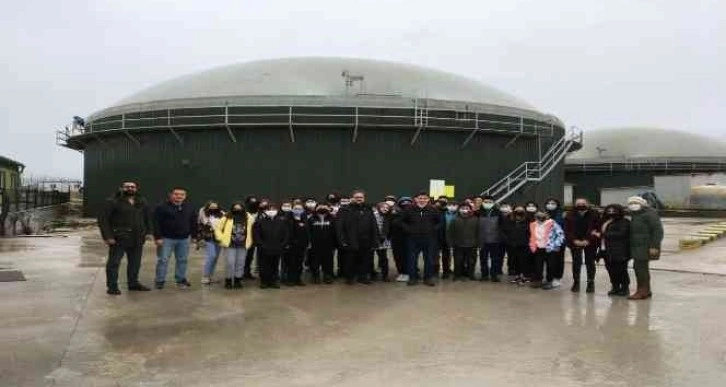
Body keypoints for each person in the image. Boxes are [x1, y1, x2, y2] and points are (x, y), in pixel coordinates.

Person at [98, 181, 153, 295]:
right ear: (122, 188)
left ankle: (133, 284)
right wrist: (108, 236)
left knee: (135, 262)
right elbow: (103, 220)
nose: (130, 188)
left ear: (136, 189)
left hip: (137, 238)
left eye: (132, 187)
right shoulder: (113, 201)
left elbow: (147, 217)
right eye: (127, 187)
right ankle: (112, 286)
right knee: (114, 263)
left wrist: (148, 232)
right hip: (119, 237)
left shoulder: (142, 201)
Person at [153, 187, 198, 290]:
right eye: (176, 194)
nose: (179, 196)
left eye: (182, 195)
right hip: (166, 239)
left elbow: (193, 222)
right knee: (163, 260)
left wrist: (194, 236)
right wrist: (158, 237)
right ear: (171, 195)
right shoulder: (161, 207)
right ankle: (160, 280)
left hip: (184, 239)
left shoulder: (189, 207)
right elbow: (156, 223)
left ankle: (181, 279)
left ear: (185, 196)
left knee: (182, 260)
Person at [335, 190, 379, 285]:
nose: (359, 199)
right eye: (357, 197)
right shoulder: (344, 210)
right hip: (350, 240)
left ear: (364, 198)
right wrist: (342, 240)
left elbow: (374, 225)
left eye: (361, 197)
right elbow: (339, 227)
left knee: (365, 259)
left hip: (366, 240)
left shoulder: (368, 209)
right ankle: (349, 278)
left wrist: (375, 239)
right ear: (352, 198)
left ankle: (363, 277)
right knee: (350, 260)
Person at [626, 196, 664, 300]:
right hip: (637, 245)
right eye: (631, 203)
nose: (633, 205)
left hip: (646, 246)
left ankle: (642, 291)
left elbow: (658, 231)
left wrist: (654, 246)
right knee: (640, 268)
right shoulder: (635, 214)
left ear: (642, 204)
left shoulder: (650, 214)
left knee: (640, 268)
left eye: (635, 203)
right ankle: (646, 290)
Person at [401, 191, 441, 286]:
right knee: (412, 259)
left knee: (429, 259)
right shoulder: (408, 209)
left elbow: (440, 222)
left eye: (424, 198)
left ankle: (428, 278)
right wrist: (409, 230)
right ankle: (412, 278)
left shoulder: (433, 210)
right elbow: (401, 221)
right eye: (420, 198)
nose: (422, 200)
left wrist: (433, 230)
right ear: (415, 199)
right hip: (413, 239)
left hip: (429, 239)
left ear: (428, 200)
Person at [214, 203, 254, 289]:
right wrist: (221, 238)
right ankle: (228, 280)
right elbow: (217, 228)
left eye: (239, 208)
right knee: (230, 263)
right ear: (232, 208)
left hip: (243, 245)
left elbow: (254, 226)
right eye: (235, 208)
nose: (237, 210)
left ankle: (237, 280)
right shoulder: (226, 217)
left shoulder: (248, 217)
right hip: (229, 244)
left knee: (240, 263)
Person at [565, 198, 601, 293]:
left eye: (583, 203)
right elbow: (568, 229)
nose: (581, 205)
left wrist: (588, 240)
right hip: (575, 242)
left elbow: (597, 228)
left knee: (590, 263)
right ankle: (576, 282)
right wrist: (574, 240)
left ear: (588, 204)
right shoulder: (570, 214)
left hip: (590, 242)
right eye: (578, 203)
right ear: (574, 205)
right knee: (576, 263)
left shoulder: (594, 214)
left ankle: (590, 283)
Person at [252, 203, 290, 289]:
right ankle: (264, 281)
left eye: (273, 210)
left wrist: (283, 244)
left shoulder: (282, 221)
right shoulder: (259, 222)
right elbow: (256, 235)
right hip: (264, 248)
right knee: (263, 265)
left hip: (277, 248)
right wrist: (261, 244)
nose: (271, 211)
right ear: (265, 211)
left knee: (275, 265)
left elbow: (286, 234)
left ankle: (274, 281)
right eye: (269, 210)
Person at [596, 204, 630, 296]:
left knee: (621, 270)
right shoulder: (605, 221)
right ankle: (615, 286)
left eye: (614, 211)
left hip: (619, 250)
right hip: (605, 249)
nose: (611, 213)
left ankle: (624, 287)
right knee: (610, 269)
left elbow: (621, 234)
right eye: (609, 211)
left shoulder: (624, 221)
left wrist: (603, 234)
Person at [529, 210, 565, 290]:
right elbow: (532, 236)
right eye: (538, 215)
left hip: (550, 248)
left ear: (547, 216)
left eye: (543, 215)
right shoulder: (533, 224)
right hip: (538, 248)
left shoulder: (552, 224)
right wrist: (532, 245)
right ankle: (538, 280)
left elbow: (561, 235)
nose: (540, 217)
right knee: (538, 265)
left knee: (551, 266)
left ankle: (549, 281)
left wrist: (556, 245)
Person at [446, 202, 479, 280]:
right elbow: (449, 233)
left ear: (470, 210)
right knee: (458, 261)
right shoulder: (454, 220)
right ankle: (457, 275)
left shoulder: (475, 219)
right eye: (462, 208)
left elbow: (478, 232)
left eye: (467, 208)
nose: (464, 210)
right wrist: (450, 243)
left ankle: (471, 274)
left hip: (471, 245)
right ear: (459, 210)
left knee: (471, 262)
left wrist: (478, 243)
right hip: (458, 245)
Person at [478, 195, 505, 282]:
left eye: (490, 202)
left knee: (495, 259)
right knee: (483, 258)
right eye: (486, 202)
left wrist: (500, 237)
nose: (488, 204)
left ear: (493, 203)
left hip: (495, 240)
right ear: (482, 203)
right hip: (482, 240)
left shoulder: (498, 213)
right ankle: (484, 275)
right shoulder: (478, 213)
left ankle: (494, 275)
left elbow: (502, 226)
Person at [308, 203, 337, 284]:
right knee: (315, 261)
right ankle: (316, 276)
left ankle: (327, 275)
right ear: (316, 208)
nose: (322, 208)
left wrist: (335, 243)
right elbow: (308, 231)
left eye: (325, 206)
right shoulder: (311, 219)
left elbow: (335, 232)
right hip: (315, 244)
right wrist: (309, 242)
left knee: (328, 261)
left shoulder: (332, 219)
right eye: (320, 206)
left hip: (328, 244)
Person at [502, 205, 531, 284]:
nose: (519, 212)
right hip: (512, 245)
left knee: (524, 261)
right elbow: (504, 231)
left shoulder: (528, 220)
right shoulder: (509, 220)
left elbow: (530, 233)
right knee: (515, 261)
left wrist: (528, 241)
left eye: (521, 210)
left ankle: (524, 276)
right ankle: (517, 275)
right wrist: (508, 241)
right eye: (517, 210)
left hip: (524, 245)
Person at [198, 201, 225, 285]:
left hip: (218, 239)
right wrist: (199, 238)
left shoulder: (222, 214)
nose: (213, 209)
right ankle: (205, 276)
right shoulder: (203, 213)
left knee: (215, 257)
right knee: (211, 256)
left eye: (215, 207)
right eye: (211, 207)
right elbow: (199, 224)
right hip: (208, 238)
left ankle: (210, 276)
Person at [284, 203, 309, 286]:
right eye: (296, 208)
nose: (298, 210)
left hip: (301, 245)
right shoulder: (288, 219)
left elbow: (307, 232)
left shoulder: (304, 219)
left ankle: (298, 279)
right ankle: (290, 280)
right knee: (291, 263)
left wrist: (307, 243)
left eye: (300, 209)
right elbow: (286, 232)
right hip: (291, 245)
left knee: (299, 263)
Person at [390, 196, 413, 282]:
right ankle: (401, 272)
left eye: (408, 203)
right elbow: (391, 225)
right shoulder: (394, 214)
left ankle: (408, 272)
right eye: (403, 203)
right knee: (398, 257)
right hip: (396, 239)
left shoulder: (413, 213)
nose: (406, 205)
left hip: (410, 238)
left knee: (409, 256)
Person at [544, 198, 566, 288]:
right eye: (548, 203)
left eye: (553, 203)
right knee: (549, 261)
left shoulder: (562, 215)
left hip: (558, 242)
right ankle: (549, 279)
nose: (550, 205)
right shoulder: (544, 214)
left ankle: (557, 279)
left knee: (558, 261)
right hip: (546, 242)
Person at [242, 196, 262, 280]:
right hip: (245, 238)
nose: (254, 205)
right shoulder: (244, 213)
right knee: (244, 256)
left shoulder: (260, 213)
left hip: (256, 237)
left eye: (255, 203)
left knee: (250, 256)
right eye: (251, 203)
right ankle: (241, 273)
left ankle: (247, 273)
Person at [373, 202, 392, 281]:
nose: (385, 209)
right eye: (383, 207)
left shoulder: (388, 217)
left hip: (383, 240)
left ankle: (385, 275)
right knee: (369, 257)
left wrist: (385, 237)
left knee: (383, 258)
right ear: (378, 207)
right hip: (373, 239)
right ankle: (370, 273)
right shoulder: (373, 215)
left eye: (387, 208)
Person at [439, 201, 458, 279]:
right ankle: (445, 272)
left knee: (458, 256)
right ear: (447, 206)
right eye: (450, 205)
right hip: (445, 238)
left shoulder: (459, 214)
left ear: (457, 206)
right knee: (445, 257)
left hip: (457, 238)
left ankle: (458, 272)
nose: (452, 206)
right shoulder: (442, 215)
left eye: (454, 205)